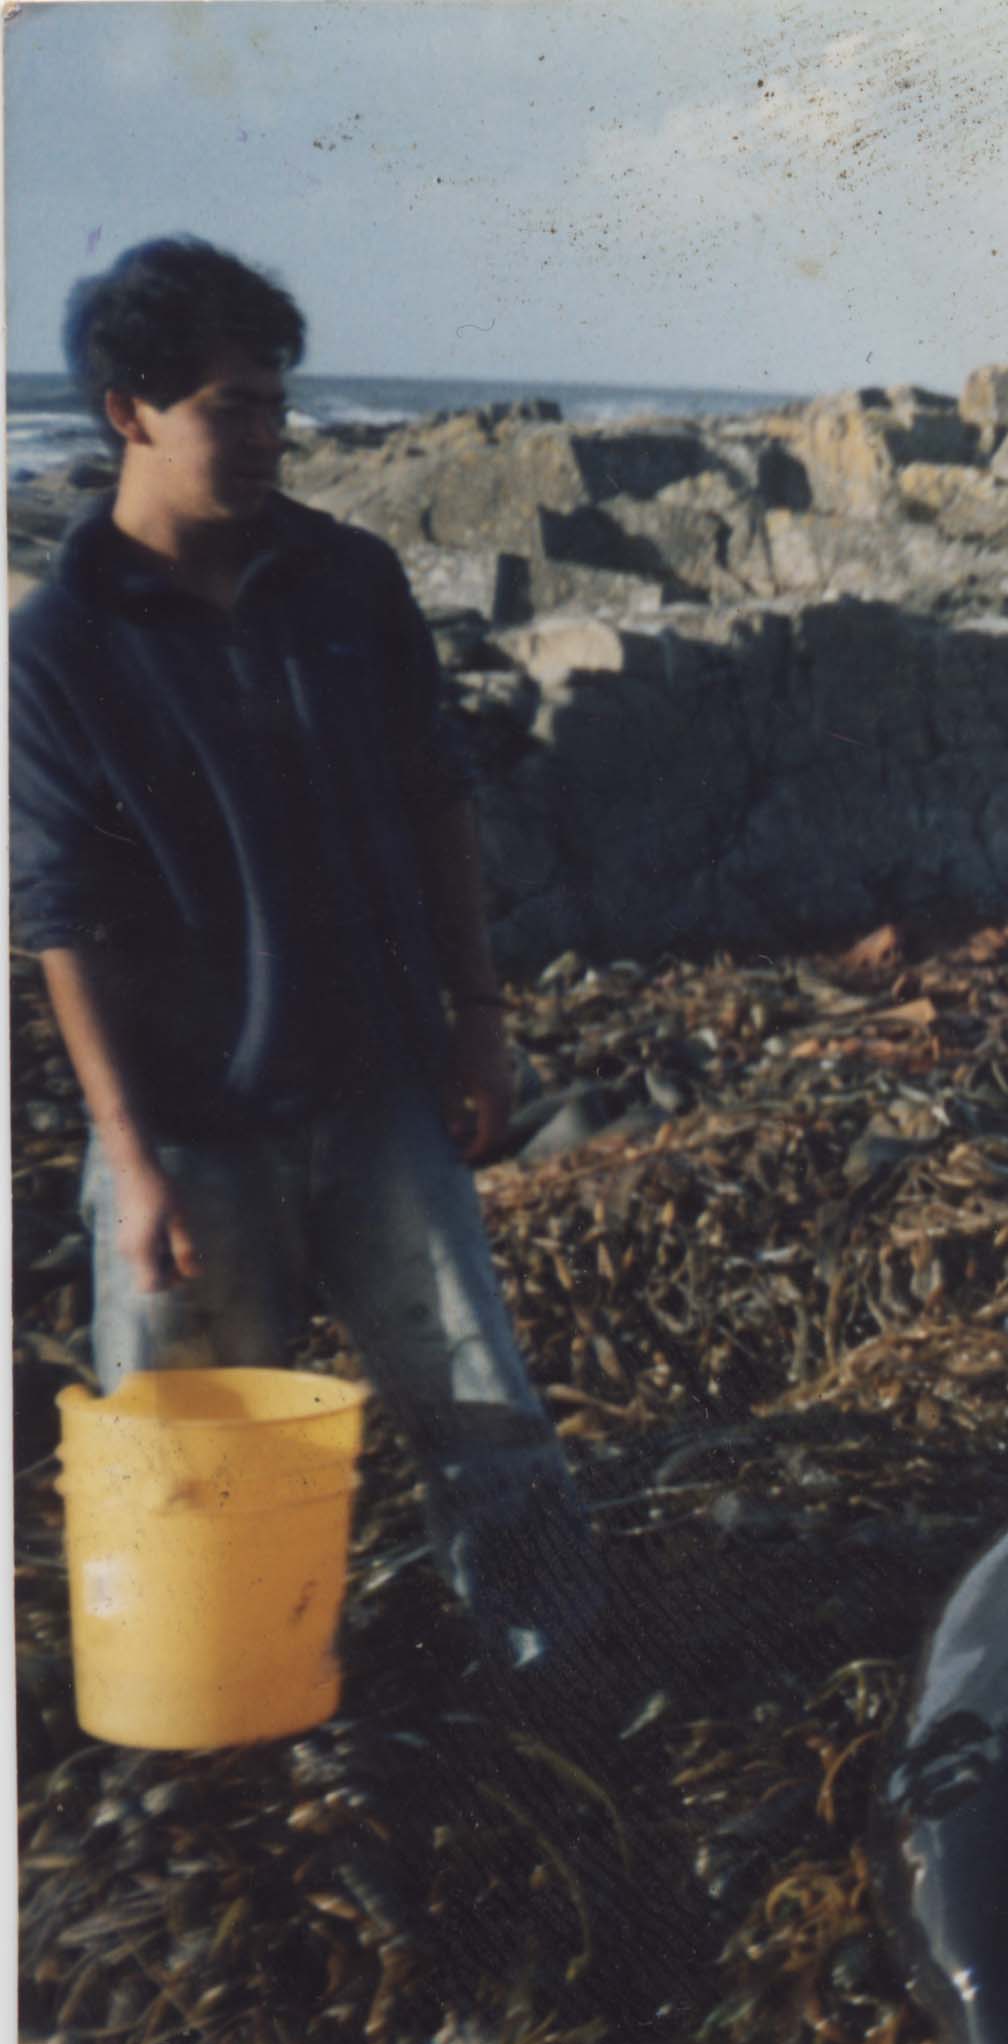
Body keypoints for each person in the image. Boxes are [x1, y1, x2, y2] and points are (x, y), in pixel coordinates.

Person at [11, 236, 606, 1674]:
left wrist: (476, 1014)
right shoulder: (59, 645)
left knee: (487, 1413)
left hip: (381, 1086)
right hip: (188, 1126)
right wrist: (131, 1154)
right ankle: (227, 1706)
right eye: (234, 407)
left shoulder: (347, 578)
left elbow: (435, 798)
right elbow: (58, 916)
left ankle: (557, 1669)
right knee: (195, 1467)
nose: (271, 436)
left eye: (280, 404)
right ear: (127, 411)